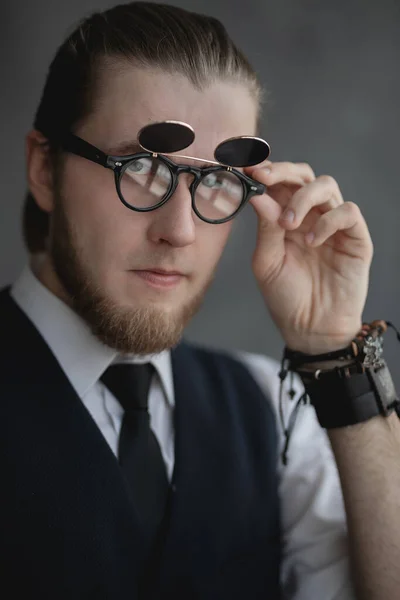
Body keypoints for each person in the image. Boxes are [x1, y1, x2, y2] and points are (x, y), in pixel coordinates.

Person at [1, 2, 399, 599]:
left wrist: (335, 353)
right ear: (43, 169)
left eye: (216, 181)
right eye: (141, 168)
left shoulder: (268, 409)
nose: (180, 231)